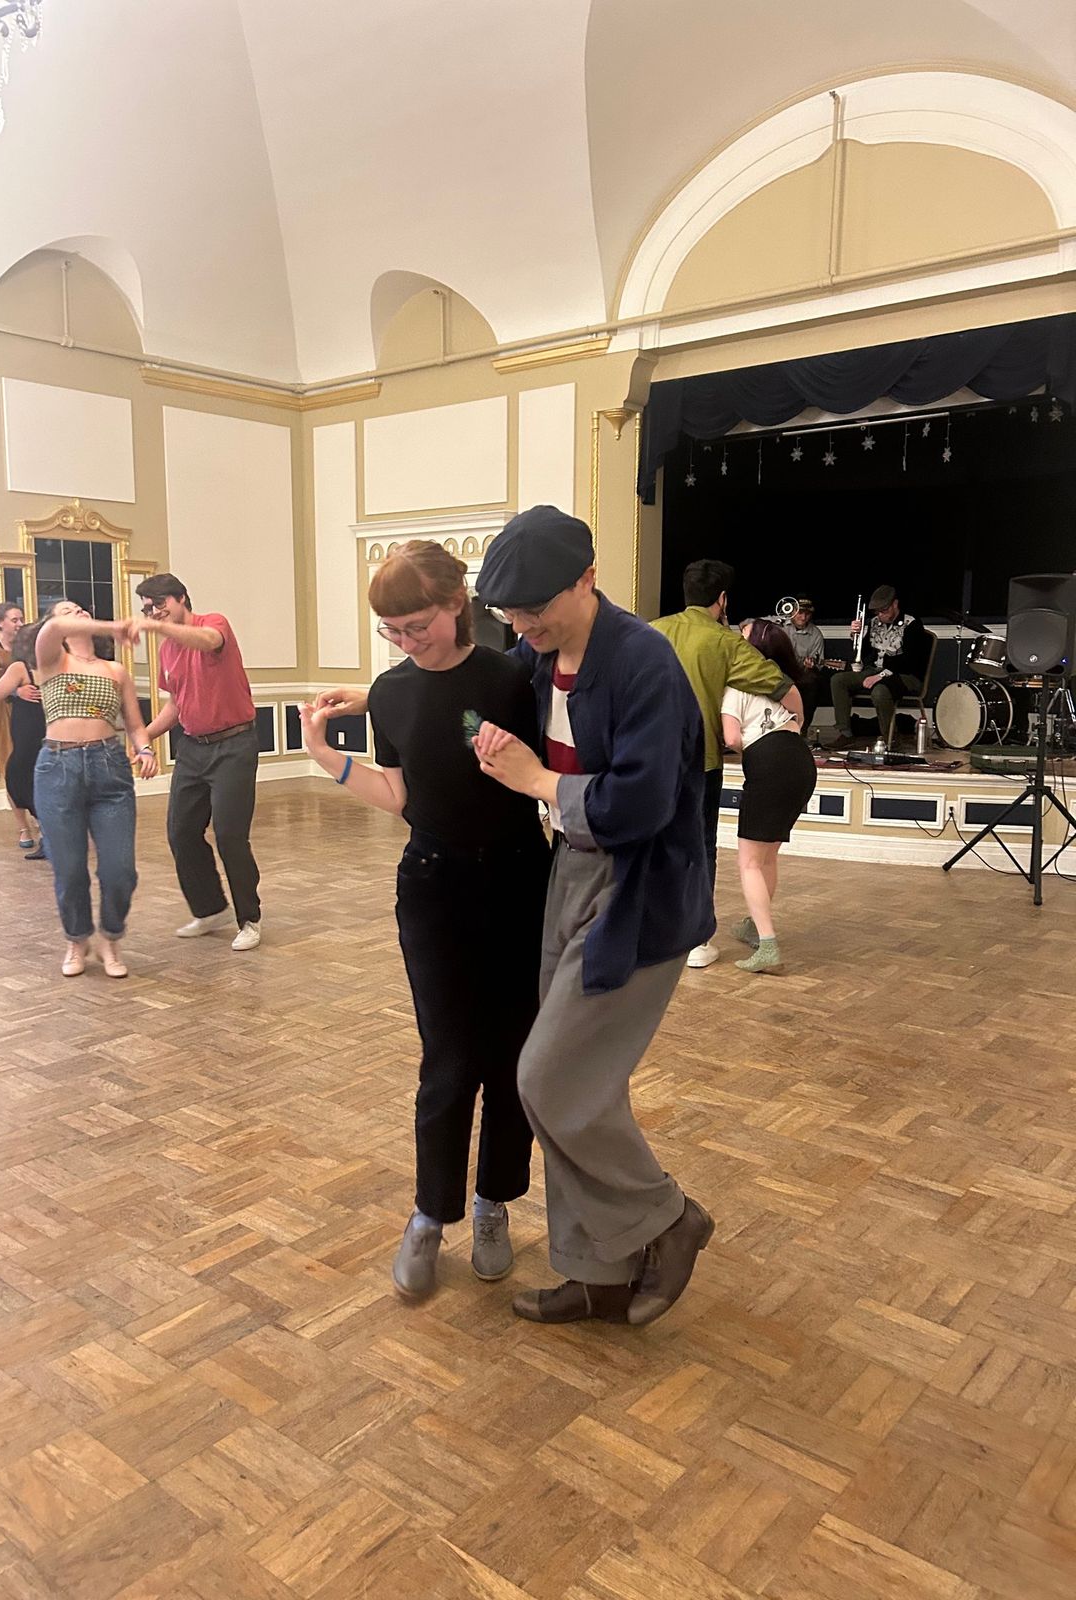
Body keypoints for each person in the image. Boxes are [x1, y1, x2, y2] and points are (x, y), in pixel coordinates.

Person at [470, 505, 715, 1328]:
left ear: (588, 577)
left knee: (550, 1076)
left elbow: (643, 803)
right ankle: (596, 1271)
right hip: (570, 875)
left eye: (537, 605)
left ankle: (670, 1218)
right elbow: (479, 711)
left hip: (641, 889)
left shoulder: (643, 660)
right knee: (571, 1089)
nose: (524, 624)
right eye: (511, 613)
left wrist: (537, 782)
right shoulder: (537, 658)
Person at [302, 541, 550, 1301]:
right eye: (392, 631)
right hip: (433, 886)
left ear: (456, 604)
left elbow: (548, 778)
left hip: (517, 882)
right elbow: (402, 799)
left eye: (417, 625)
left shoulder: (512, 680)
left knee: (512, 1061)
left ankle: (492, 1206)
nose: (407, 642)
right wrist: (323, 756)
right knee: (446, 1061)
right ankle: (428, 1215)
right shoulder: (391, 692)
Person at [652, 561, 802, 969]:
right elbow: (782, 686)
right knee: (700, 846)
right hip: (701, 760)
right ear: (722, 600)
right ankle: (697, 941)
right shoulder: (724, 641)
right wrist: (797, 722)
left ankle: (656, 932)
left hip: (650, 759)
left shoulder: (652, 631)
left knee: (656, 842)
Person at [135, 575, 262, 953]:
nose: (155, 612)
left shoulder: (213, 624)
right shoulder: (166, 652)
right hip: (192, 748)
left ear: (181, 599)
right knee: (181, 831)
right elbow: (176, 703)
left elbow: (209, 643)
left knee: (229, 834)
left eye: (160, 604)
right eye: (147, 608)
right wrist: (144, 736)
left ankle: (249, 919)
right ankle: (209, 909)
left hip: (234, 745)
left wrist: (157, 626)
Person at [33, 600, 158, 978]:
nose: (77, 612)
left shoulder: (116, 670)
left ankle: (110, 937)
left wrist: (146, 748)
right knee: (69, 870)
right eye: (66, 610)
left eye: (81, 608)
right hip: (57, 769)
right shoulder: (51, 660)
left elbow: (135, 725)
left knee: (120, 871)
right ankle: (77, 939)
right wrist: (114, 626)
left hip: (109, 768)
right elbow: (51, 630)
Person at [723, 619, 817, 975]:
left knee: (748, 861)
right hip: (800, 761)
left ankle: (767, 945)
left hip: (770, 764)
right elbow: (799, 718)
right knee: (767, 856)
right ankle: (754, 926)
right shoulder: (780, 683)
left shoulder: (739, 684)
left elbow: (732, 737)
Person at [830, 585, 931, 747]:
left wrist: (880, 676)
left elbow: (910, 661)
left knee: (880, 691)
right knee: (838, 680)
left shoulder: (912, 624)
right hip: (875, 670)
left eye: (884, 610)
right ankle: (845, 733)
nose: (880, 615)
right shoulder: (874, 623)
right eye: (877, 612)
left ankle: (890, 738)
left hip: (905, 675)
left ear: (895, 604)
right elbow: (863, 654)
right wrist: (856, 636)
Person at [0, 617, 49, 860]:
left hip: (36, 729)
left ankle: (48, 834)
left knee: (23, 776)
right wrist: (17, 689)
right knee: (29, 776)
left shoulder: (22, 667)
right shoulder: (37, 666)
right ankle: (46, 833)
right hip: (37, 727)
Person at [0, 600, 37, 851]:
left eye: (21, 619)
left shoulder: (25, 648)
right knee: (12, 770)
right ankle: (23, 827)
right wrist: (16, 690)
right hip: (2, 717)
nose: (19, 623)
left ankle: (41, 819)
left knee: (33, 767)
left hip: (27, 716)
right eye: (14, 619)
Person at [767, 598, 827, 726]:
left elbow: (818, 664)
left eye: (807, 614)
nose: (803, 617)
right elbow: (748, 623)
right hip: (779, 671)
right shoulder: (780, 626)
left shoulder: (816, 634)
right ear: (792, 612)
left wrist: (810, 666)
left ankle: (803, 727)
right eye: (800, 613)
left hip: (801, 674)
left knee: (813, 682)